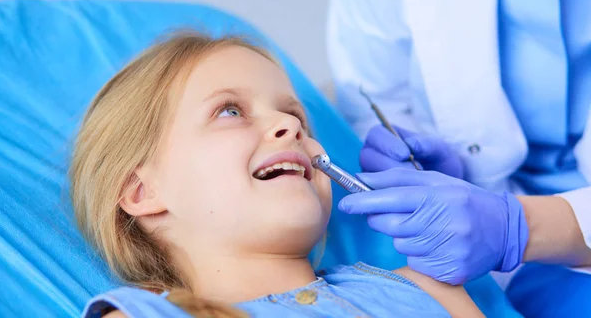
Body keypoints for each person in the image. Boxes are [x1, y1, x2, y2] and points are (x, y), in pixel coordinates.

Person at [70, 33, 484, 317]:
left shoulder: (429, 289)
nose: (291, 127)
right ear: (143, 192)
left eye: (294, 114)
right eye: (229, 111)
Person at [327, 0, 591, 314]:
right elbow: (375, 97)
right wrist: (451, 173)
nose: (282, 128)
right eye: (230, 112)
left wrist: (516, 228)